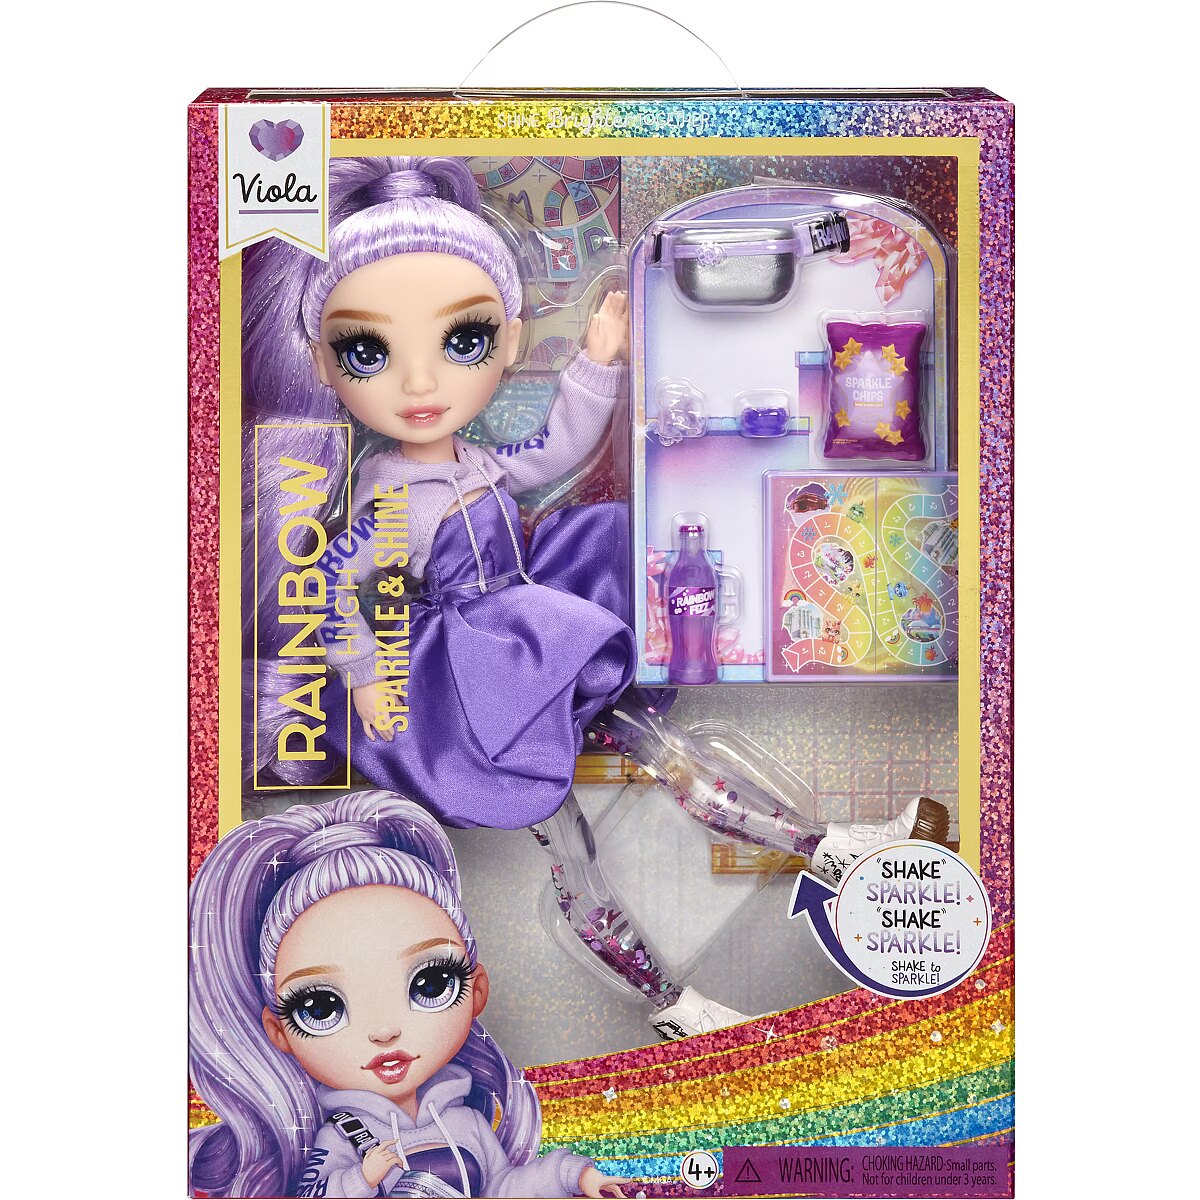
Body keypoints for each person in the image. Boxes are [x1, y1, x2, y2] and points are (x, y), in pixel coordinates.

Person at [189, 791, 626, 1198]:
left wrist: (571, 1174)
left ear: (476, 990)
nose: (384, 1031)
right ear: (278, 1031)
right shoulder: (342, 1134)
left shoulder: (467, 1121)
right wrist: (360, 1179)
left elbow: (502, 1187)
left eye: (430, 984)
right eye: (321, 1007)